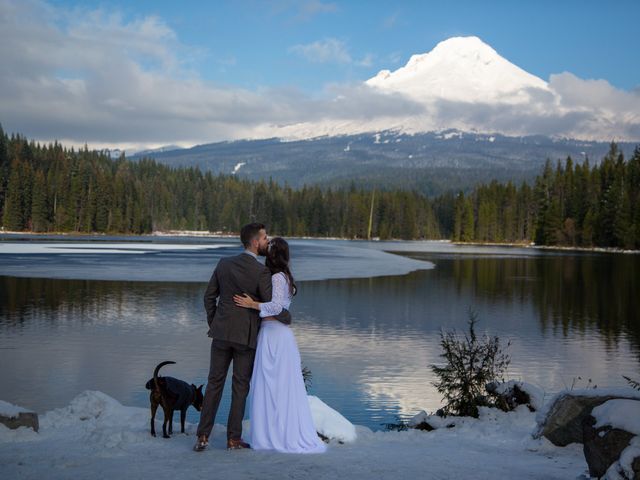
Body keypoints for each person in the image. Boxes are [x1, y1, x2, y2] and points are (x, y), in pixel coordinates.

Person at [194, 223, 291, 452]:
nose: (267, 241)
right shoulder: (262, 272)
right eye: (265, 237)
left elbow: (209, 298)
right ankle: (233, 439)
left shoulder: (224, 263)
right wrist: (286, 316)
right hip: (245, 338)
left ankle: (203, 437)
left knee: (214, 384)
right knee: (240, 387)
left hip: (221, 334)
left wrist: (215, 322)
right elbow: (271, 306)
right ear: (255, 242)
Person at [234, 237, 326, 454]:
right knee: (280, 387)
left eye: (269, 248)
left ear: (273, 255)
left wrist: (252, 304)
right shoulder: (285, 276)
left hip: (273, 335)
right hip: (281, 335)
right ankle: (280, 431)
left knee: (271, 386)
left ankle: (271, 435)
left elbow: (276, 307)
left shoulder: (276, 277)